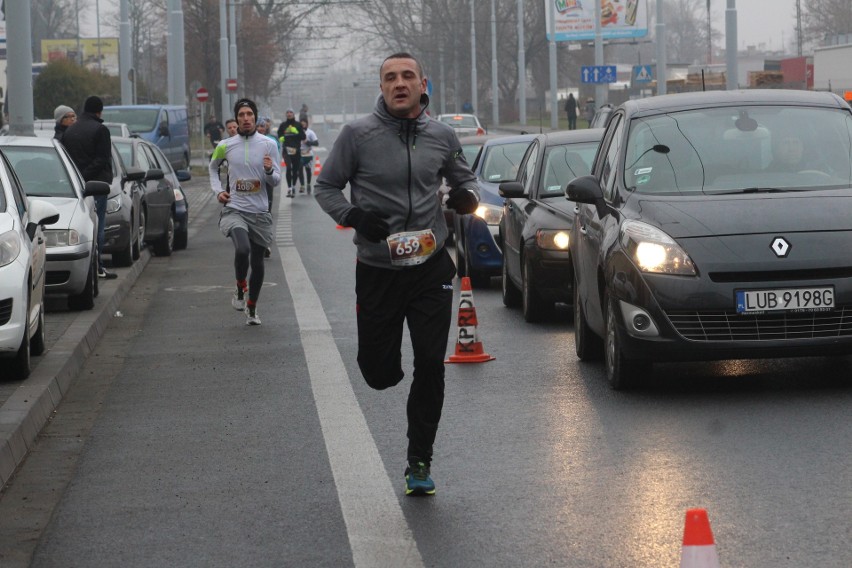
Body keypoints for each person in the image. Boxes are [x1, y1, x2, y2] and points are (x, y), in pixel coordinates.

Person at [315, 52, 479, 497]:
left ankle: (419, 459)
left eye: (407, 76)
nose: (399, 83)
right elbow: (325, 186)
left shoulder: (442, 135)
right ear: (382, 86)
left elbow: (464, 180)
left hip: (430, 267)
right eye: (390, 78)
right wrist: (352, 215)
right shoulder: (357, 135)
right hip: (378, 269)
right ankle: (384, 369)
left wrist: (464, 197)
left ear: (423, 83)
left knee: (430, 363)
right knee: (379, 372)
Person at [209, 98, 280, 325]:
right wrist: (218, 191)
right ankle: (240, 288)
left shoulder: (269, 144)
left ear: (255, 117)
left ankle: (252, 308)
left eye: (249, 114)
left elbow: (276, 180)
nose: (246, 118)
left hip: (259, 212)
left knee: (257, 262)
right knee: (243, 249)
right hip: (235, 209)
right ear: (236, 119)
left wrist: (269, 171)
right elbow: (212, 168)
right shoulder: (225, 145)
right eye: (241, 115)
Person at [62, 95, 117, 280]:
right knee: (98, 226)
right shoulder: (100, 130)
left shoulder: (70, 131)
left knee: (82, 227)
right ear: (99, 111)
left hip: (74, 188)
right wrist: (86, 176)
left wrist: (77, 178)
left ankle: (89, 269)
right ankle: (98, 266)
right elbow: (102, 159)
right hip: (97, 186)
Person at [277, 109, 305, 197]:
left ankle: (293, 187)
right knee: (289, 168)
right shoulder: (283, 125)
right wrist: (281, 137)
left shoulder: (298, 124)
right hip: (286, 150)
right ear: (286, 114)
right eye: (287, 112)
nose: (289, 114)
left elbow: (303, 136)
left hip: (296, 150)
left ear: (293, 114)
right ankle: (289, 188)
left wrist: (296, 132)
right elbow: (279, 134)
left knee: (295, 170)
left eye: (291, 112)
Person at [298, 118, 319, 195]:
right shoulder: (297, 132)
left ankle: (309, 184)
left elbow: (316, 143)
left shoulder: (310, 132)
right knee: (299, 168)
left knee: (308, 170)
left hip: (308, 154)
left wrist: (307, 142)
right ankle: (302, 185)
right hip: (299, 154)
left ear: (307, 124)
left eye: (304, 123)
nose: (303, 124)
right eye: (301, 123)